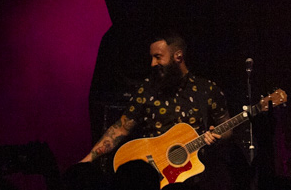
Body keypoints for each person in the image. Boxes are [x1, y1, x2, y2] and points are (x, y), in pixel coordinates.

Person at [82, 33, 230, 164]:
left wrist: (216, 136)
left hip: (193, 173)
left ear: (178, 56)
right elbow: (121, 128)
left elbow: (227, 128)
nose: (153, 63)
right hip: (154, 173)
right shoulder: (147, 89)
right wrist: (88, 159)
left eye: (158, 57)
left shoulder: (206, 89)